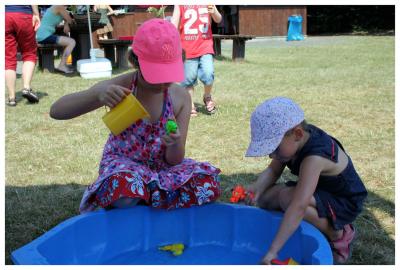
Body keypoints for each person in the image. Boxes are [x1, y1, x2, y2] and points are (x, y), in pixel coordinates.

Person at [50, 18, 221, 213]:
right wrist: (97, 96)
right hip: (125, 168)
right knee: (125, 189)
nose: (163, 82)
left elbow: (175, 160)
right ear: (134, 62)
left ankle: (148, 201)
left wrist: (174, 144)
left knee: (207, 184)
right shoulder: (121, 87)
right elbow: (57, 111)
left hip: (162, 170)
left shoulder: (180, 97)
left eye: (168, 74)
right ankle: (143, 203)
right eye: (156, 74)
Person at [245, 97, 368, 264]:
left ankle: (339, 234)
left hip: (343, 202)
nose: (271, 155)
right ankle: (297, 225)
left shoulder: (315, 158)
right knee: (266, 199)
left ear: (297, 134)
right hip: (319, 192)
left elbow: (299, 206)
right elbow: (273, 170)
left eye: (273, 148)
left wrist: (273, 251)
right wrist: (256, 189)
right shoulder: (293, 141)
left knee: (288, 200)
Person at [171, 5, 222, 117]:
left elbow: (218, 19)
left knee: (209, 73)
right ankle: (190, 104)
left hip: (205, 46)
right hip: (187, 48)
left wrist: (214, 12)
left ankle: (207, 96)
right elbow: (174, 24)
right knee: (188, 79)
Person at [5, 5, 41, 106]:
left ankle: (11, 98)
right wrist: (36, 13)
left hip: (5, 15)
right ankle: (26, 88)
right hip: (23, 14)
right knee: (29, 53)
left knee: (8, 58)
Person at [36, 5, 76, 74]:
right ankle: (62, 65)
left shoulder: (57, 7)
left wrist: (66, 23)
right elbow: (70, 20)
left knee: (67, 40)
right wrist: (67, 23)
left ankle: (63, 64)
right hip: (44, 35)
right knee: (72, 42)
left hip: (43, 34)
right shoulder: (59, 6)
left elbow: (67, 19)